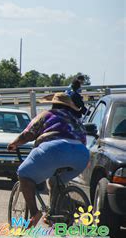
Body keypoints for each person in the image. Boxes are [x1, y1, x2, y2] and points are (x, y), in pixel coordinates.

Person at [7, 93, 89, 228]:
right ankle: (57, 214)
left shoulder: (48, 114)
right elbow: (83, 140)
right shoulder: (76, 120)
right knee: (56, 180)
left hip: (54, 149)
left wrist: (14, 144)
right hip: (81, 154)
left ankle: (34, 213)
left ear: (53, 104)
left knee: (23, 174)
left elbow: (28, 133)